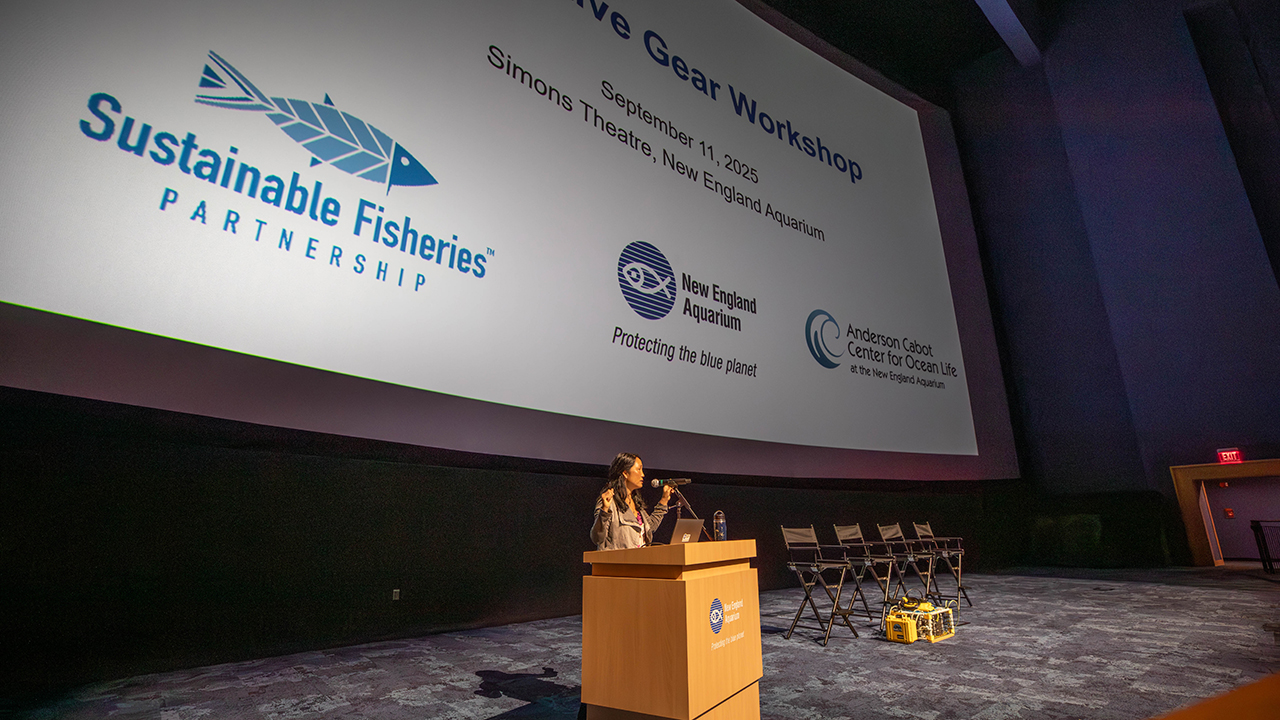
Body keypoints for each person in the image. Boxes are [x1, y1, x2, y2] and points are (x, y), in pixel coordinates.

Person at [590, 452, 673, 550]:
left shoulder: (635, 503)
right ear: (625, 473)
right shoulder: (609, 501)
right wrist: (604, 511)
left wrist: (664, 500)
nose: (643, 475)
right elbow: (597, 538)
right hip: (618, 564)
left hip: (638, 562)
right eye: (638, 469)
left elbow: (650, 528)